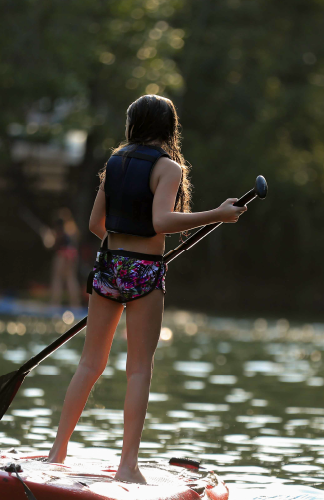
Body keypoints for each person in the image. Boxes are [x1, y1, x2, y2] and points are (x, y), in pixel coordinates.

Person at [47, 95, 247, 483]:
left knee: (89, 364)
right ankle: (127, 467)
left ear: (133, 125)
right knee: (138, 370)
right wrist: (219, 215)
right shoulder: (168, 167)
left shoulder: (115, 162)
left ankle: (57, 452)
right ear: (169, 127)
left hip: (108, 267)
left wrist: (121, 249)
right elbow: (160, 222)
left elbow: (93, 224)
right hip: (144, 272)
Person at [49, 208, 81, 309]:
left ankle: (55, 304)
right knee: (71, 279)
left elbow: (54, 243)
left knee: (57, 279)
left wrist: (49, 238)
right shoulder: (74, 228)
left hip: (62, 256)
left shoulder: (61, 229)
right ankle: (75, 304)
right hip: (72, 256)